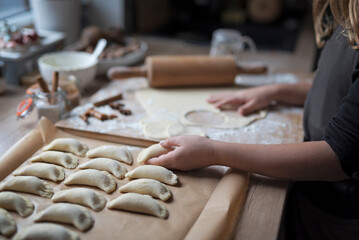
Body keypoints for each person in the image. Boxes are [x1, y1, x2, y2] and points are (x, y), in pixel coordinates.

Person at [145, 0, 359, 239]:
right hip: (306, 184)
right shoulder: (342, 11)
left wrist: (213, 152)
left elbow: (337, 158)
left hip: (337, 210)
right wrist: (276, 91)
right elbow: (341, 92)